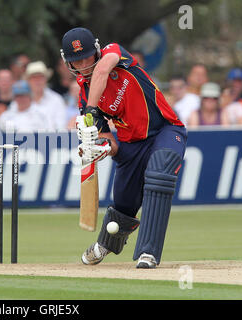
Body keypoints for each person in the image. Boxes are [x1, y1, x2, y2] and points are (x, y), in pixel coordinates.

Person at [60, 27, 186, 269]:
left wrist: (91, 111)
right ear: (69, 63)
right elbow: (111, 141)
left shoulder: (113, 53)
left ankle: (148, 252)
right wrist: (102, 148)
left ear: (96, 51)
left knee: (159, 175)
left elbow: (102, 70)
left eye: (87, 56)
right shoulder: (84, 97)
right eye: (77, 60)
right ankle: (107, 242)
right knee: (124, 204)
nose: (84, 64)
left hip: (165, 130)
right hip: (130, 145)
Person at [25, 61, 68, 130]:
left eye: (40, 77)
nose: (37, 81)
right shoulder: (20, 100)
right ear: (28, 81)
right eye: (34, 78)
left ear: (46, 79)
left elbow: (61, 126)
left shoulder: (56, 100)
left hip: (51, 139)